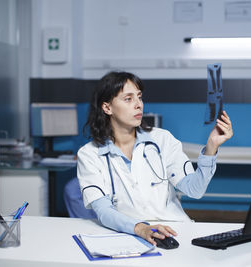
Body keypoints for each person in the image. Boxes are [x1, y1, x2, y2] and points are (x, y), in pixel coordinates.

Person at [77, 71, 233, 246]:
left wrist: (212, 147)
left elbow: (194, 190)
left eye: (139, 97)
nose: (138, 105)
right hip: (129, 234)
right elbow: (103, 211)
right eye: (128, 99)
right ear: (107, 108)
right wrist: (141, 228)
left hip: (175, 230)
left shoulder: (162, 140)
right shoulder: (89, 154)